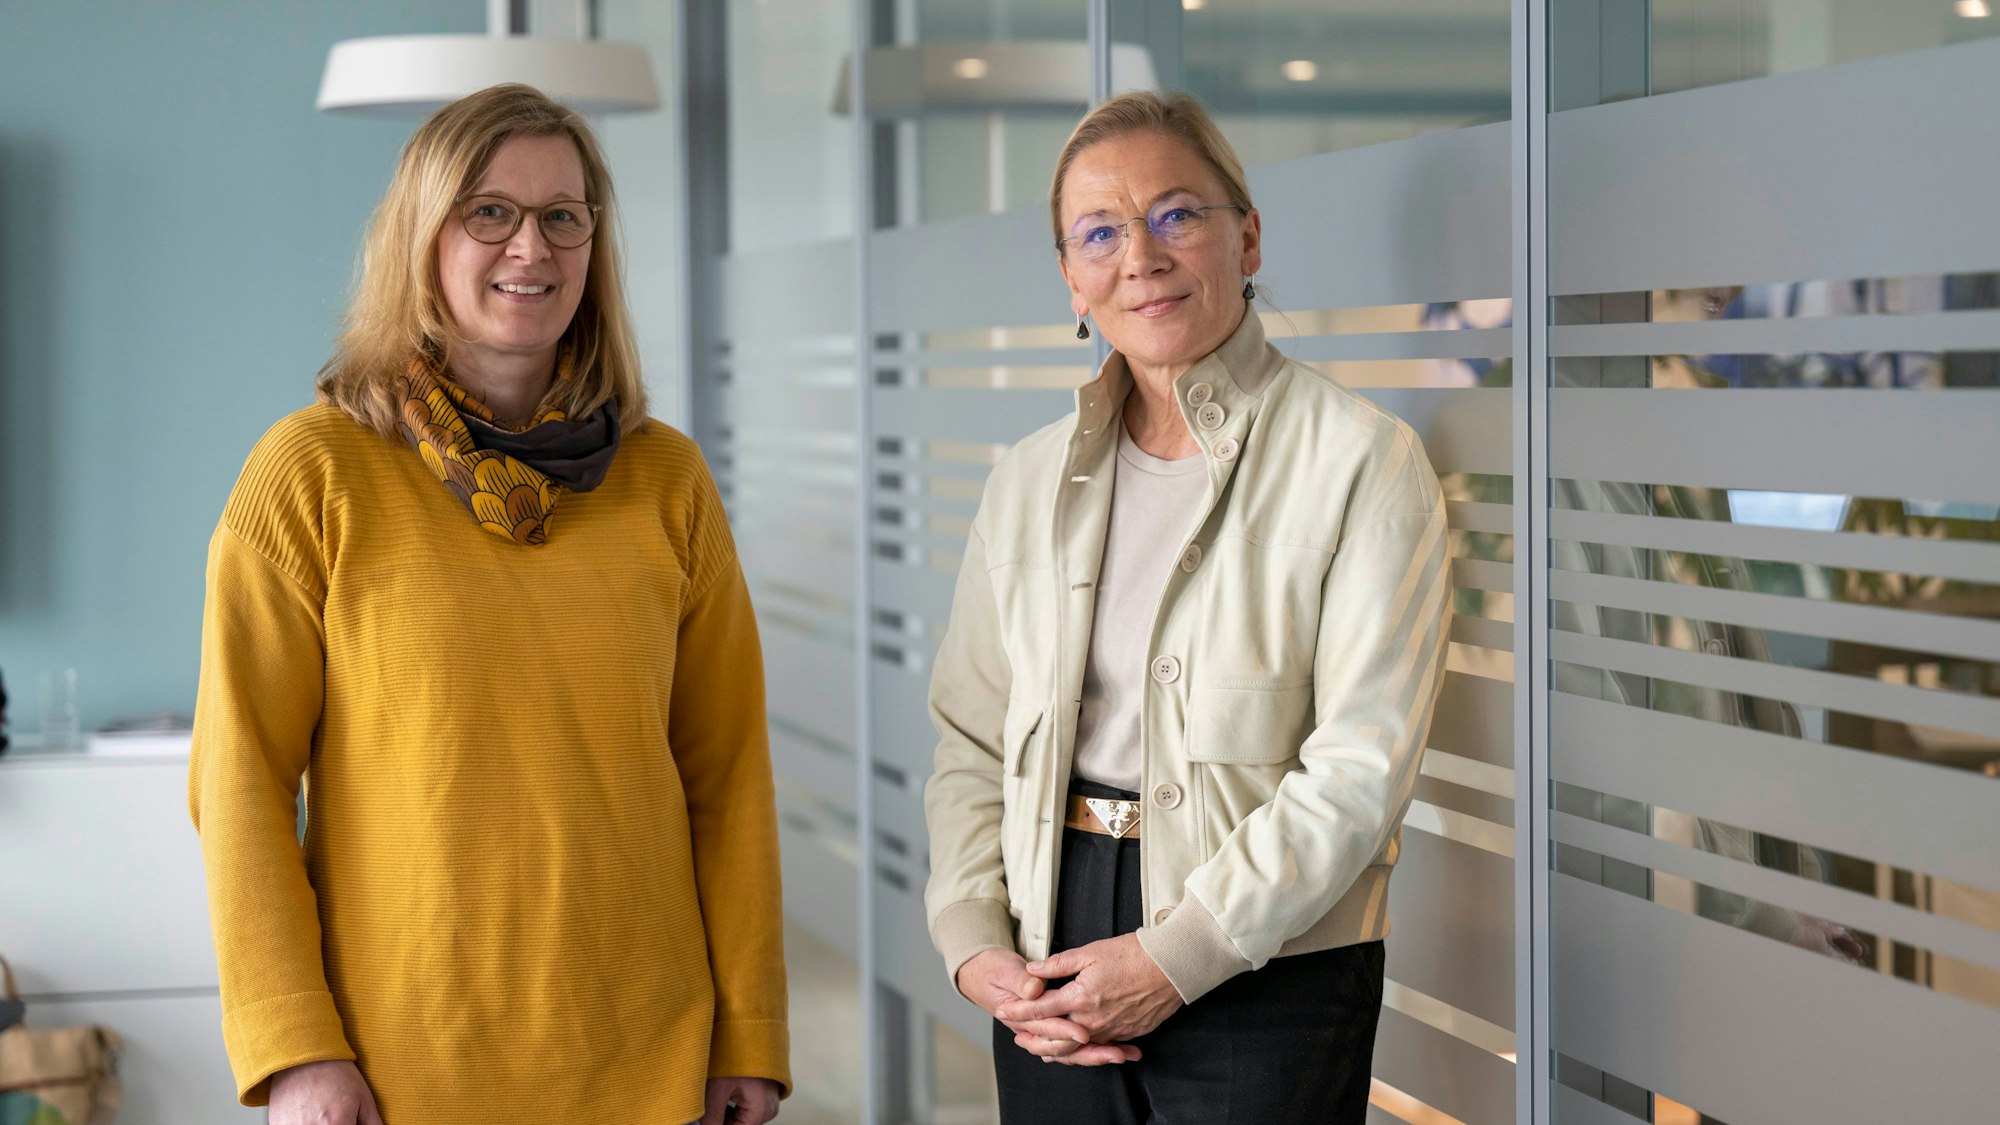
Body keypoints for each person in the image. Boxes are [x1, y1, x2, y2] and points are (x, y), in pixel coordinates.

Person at [188, 84, 787, 1125]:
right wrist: (294, 1050)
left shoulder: (668, 480)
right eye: (489, 212)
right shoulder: (312, 472)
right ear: (422, 235)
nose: (531, 247)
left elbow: (728, 780)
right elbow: (239, 782)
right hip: (395, 1071)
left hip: (651, 1062)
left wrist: (748, 1032)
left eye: (563, 216)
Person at [922, 90, 1453, 1123]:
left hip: (1270, 950)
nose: (1141, 257)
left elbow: (1361, 766)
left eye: (1176, 214)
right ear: (1070, 278)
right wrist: (973, 936)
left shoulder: (1362, 460)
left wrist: (1180, 953)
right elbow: (970, 736)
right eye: (1099, 232)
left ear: (1246, 238)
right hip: (1048, 930)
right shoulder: (1026, 481)